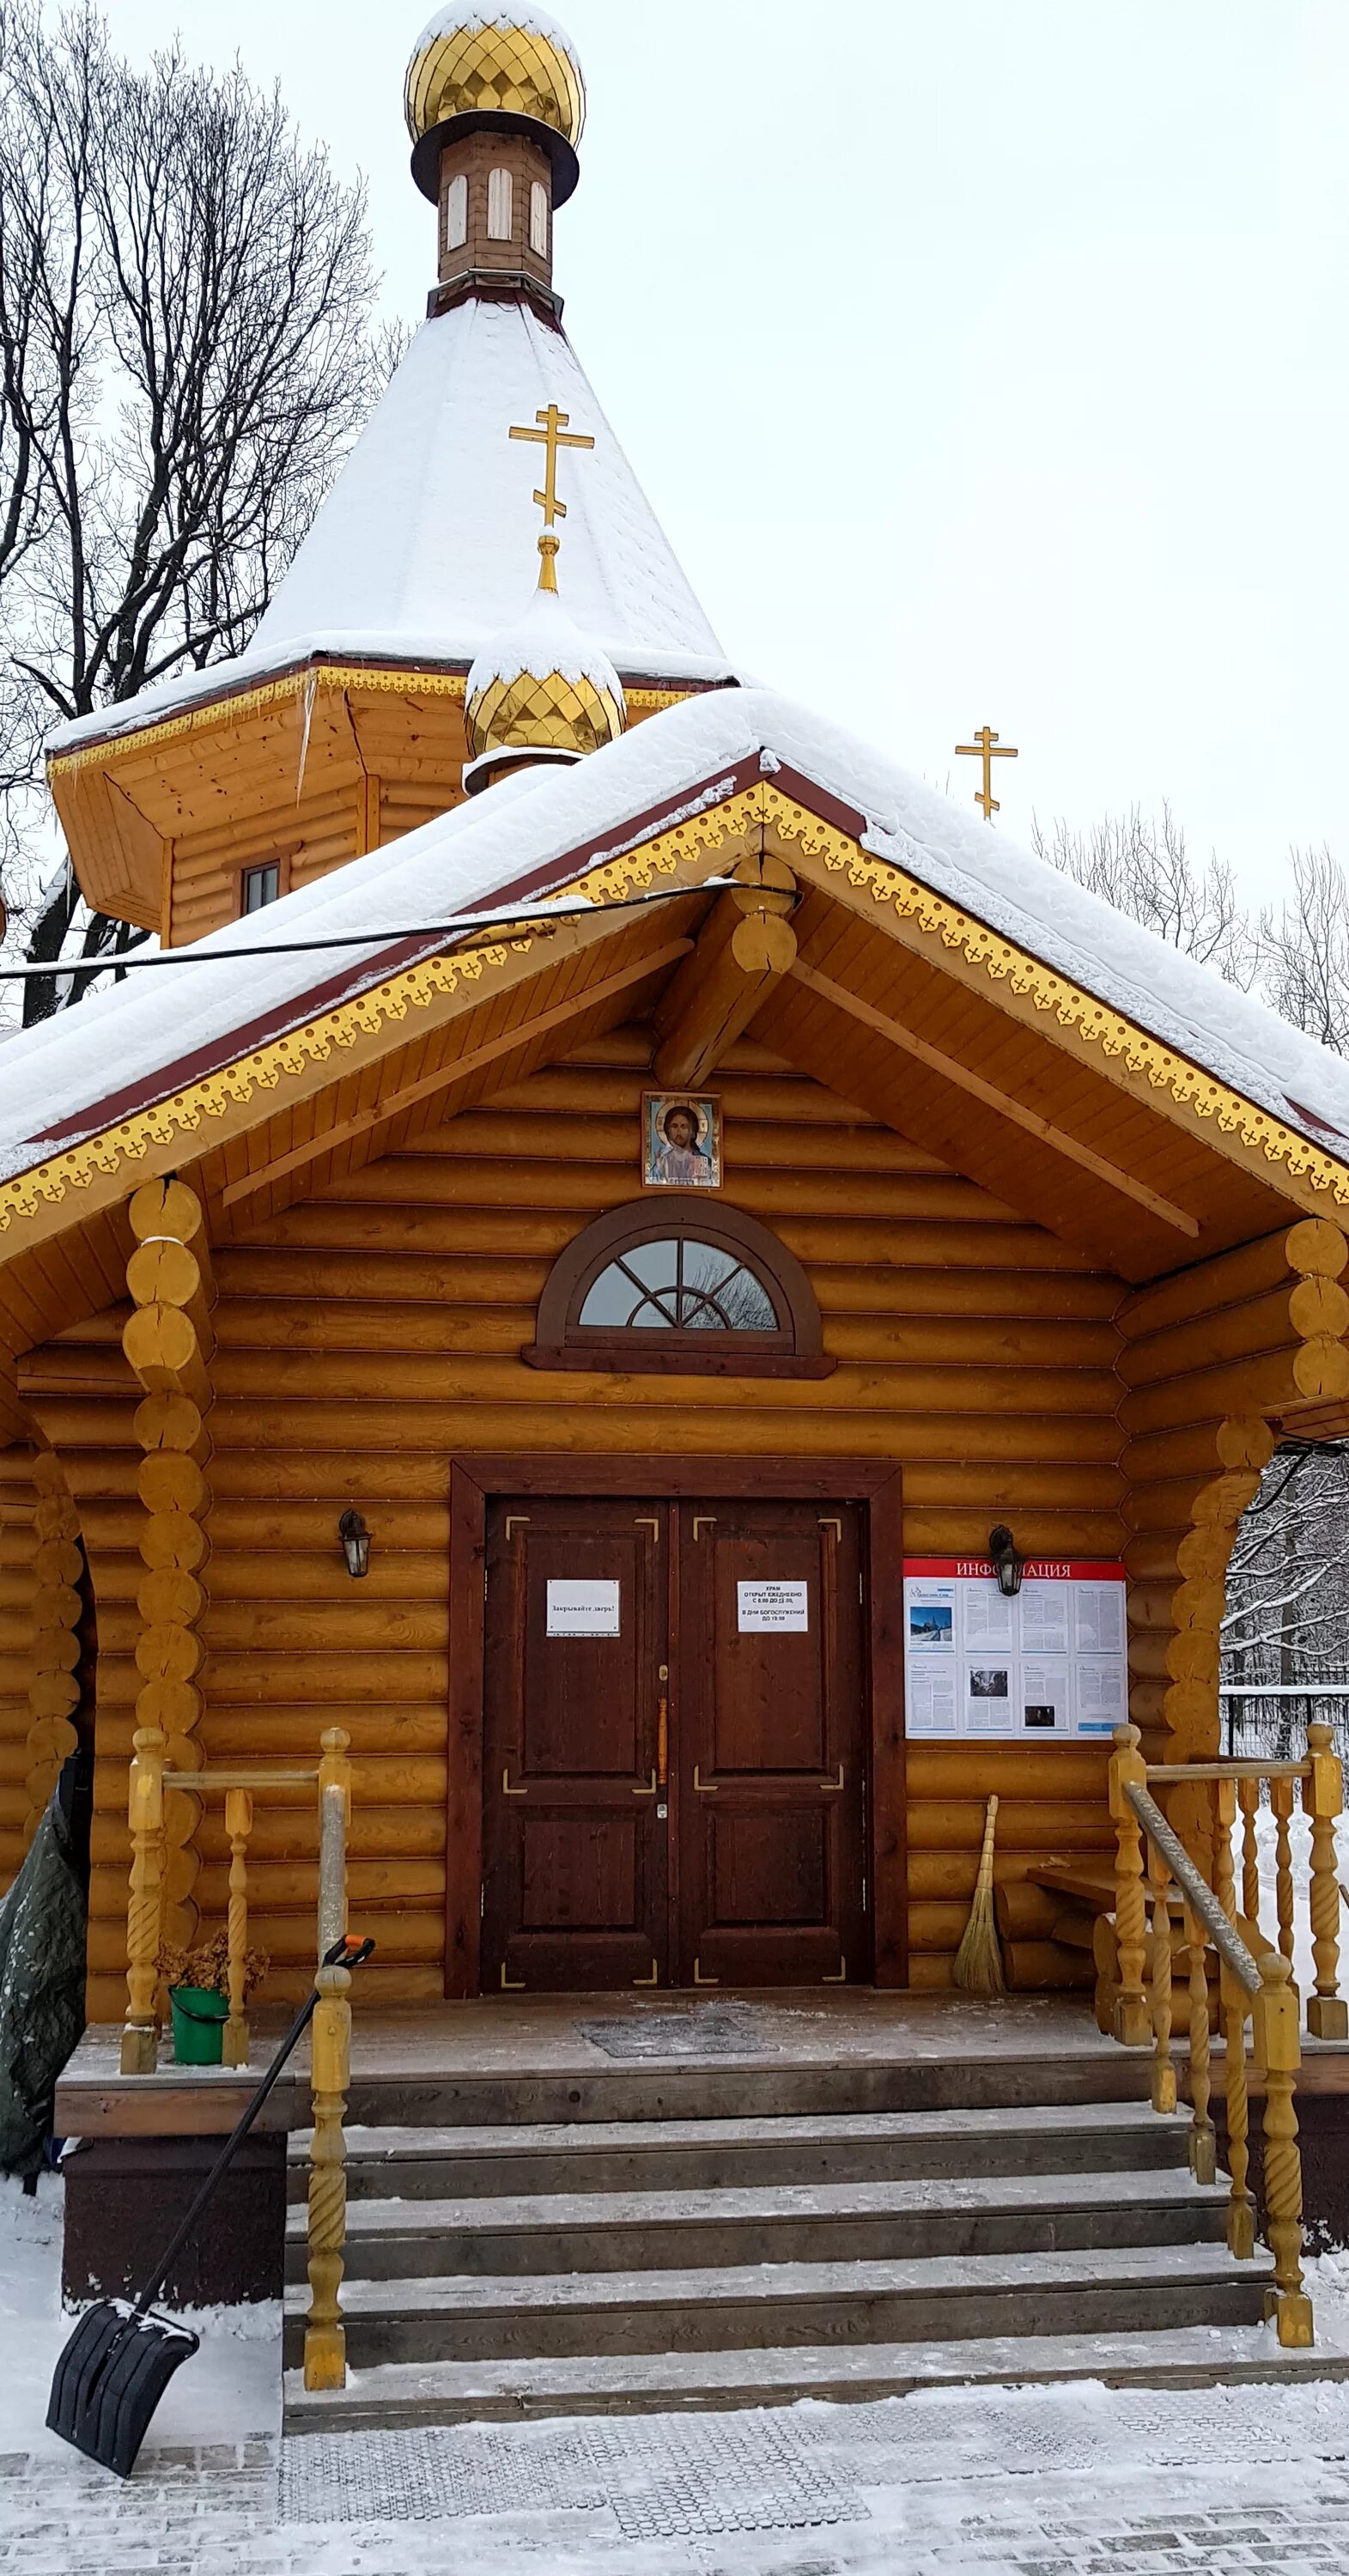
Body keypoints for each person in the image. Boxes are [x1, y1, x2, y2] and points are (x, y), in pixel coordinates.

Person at [651, 1101, 714, 1185]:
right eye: (674, 1126)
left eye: (683, 1126)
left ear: (692, 1131)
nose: (679, 1131)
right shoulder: (662, 1163)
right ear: (668, 1131)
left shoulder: (704, 1162)